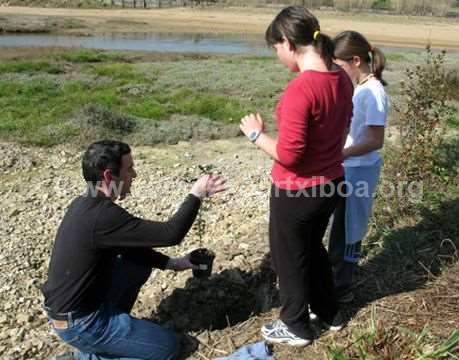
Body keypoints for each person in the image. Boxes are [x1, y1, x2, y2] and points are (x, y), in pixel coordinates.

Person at [42, 140, 227, 360]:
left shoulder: (85, 203)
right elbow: (170, 234)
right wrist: (196, 194)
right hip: (82, 323)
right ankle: (86, 357)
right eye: (129, 169)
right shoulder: (102, 216)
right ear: (110, 177)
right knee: (168, 348)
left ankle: (113, 334)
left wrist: (174, 264)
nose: (135, 174)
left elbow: (130, 249)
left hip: (76, 310)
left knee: (136, 265)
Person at [239, 6, 353, 347]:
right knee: (313, 249)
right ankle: (329, 312)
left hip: (297, 191)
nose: (277, 56)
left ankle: (295, 326)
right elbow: (343, 127)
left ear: (288, 43)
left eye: (276, 48)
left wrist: (256, 135)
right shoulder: (341, 79)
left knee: (287, 258)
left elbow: (289, 155)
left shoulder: (301, 90)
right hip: (331, 184)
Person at [328, 31, 389, 303]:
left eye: (338, 66)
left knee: (350, 229)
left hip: (359, 169)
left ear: (355, 60)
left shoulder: (373, 92)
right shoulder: (361, 88)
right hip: (350, 166)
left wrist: (341, 154)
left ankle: (342, 288)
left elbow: (376, 140)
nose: (336, 72)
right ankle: (338, 280)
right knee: (340, 226)